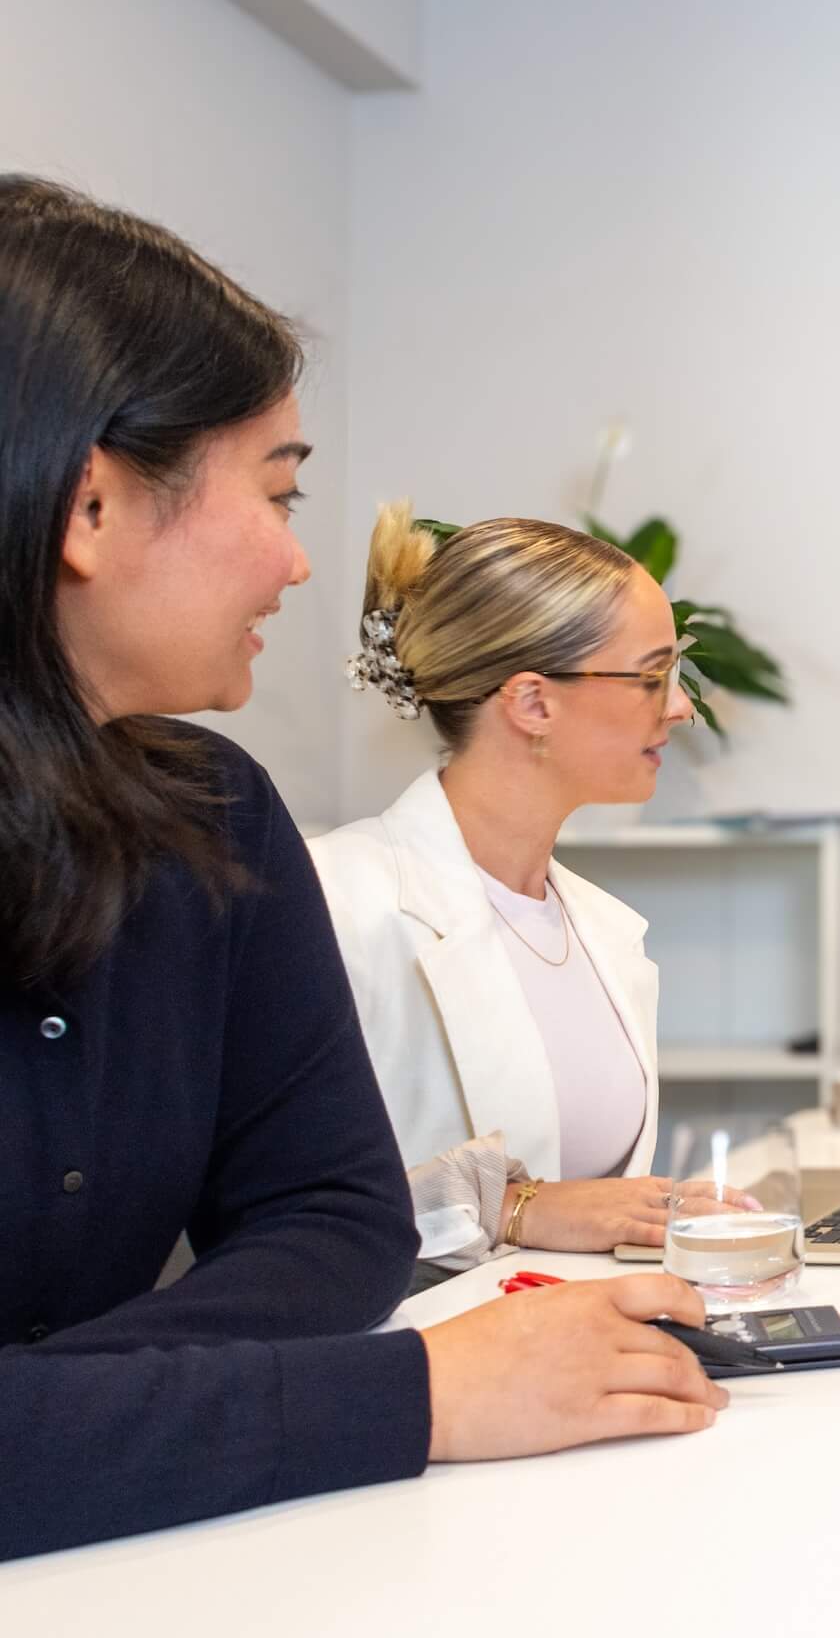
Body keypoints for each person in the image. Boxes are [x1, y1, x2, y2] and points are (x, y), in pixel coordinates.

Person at [0, 177, 724, 1564]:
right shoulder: (340, 877)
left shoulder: (216, 817)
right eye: (276, 491)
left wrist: (64, 1415)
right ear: (91, 504)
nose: (296, 560)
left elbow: (336, 1222)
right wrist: (403, 1393)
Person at [311, 505, 696, 1280]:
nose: (680, 706)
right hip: (409, 1370)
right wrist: (513, 1207)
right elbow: (272, 1212)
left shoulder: (597, 926)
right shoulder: (334, 903)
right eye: (653, 676)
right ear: (531, 703)